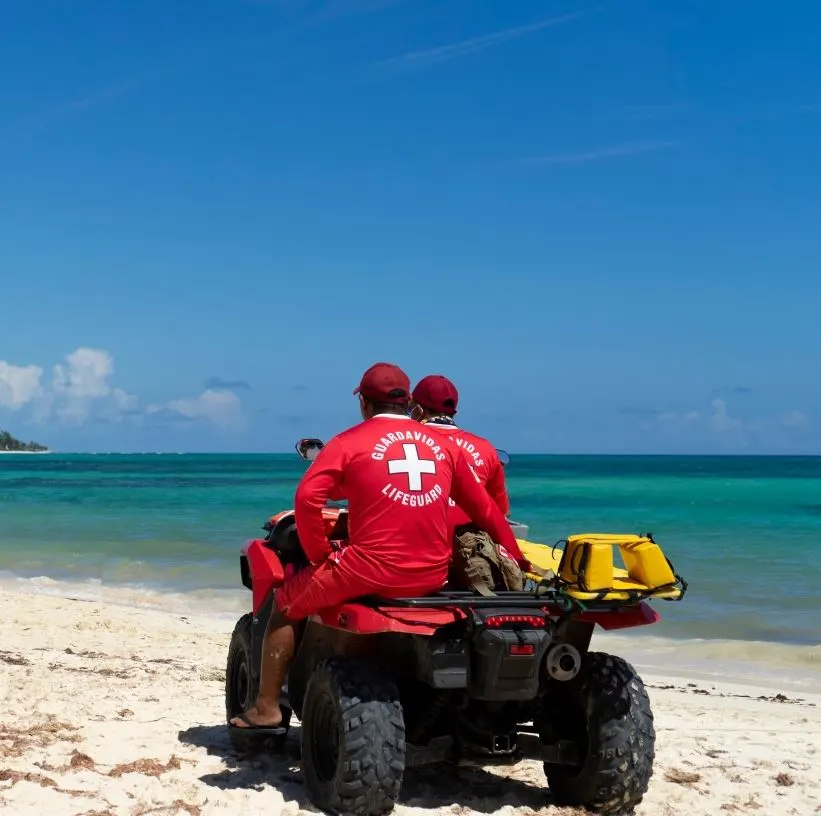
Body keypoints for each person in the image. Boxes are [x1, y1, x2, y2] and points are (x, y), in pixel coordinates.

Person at [230, 361, 526, 731]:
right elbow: (486, 509)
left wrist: (320, 554)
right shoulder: (445, 447)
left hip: (367, 571)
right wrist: (515, 555)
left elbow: (307, 498)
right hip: (431, 574)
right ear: (407, 404)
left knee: (286, 606)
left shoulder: (349, 442)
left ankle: (267, 709)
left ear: (364, 404)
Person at [410, 374, 510, 518]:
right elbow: (500, 511)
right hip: (468, 538)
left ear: (417, 408)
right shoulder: (486, 449)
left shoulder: (405, 443)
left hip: (422, 535)